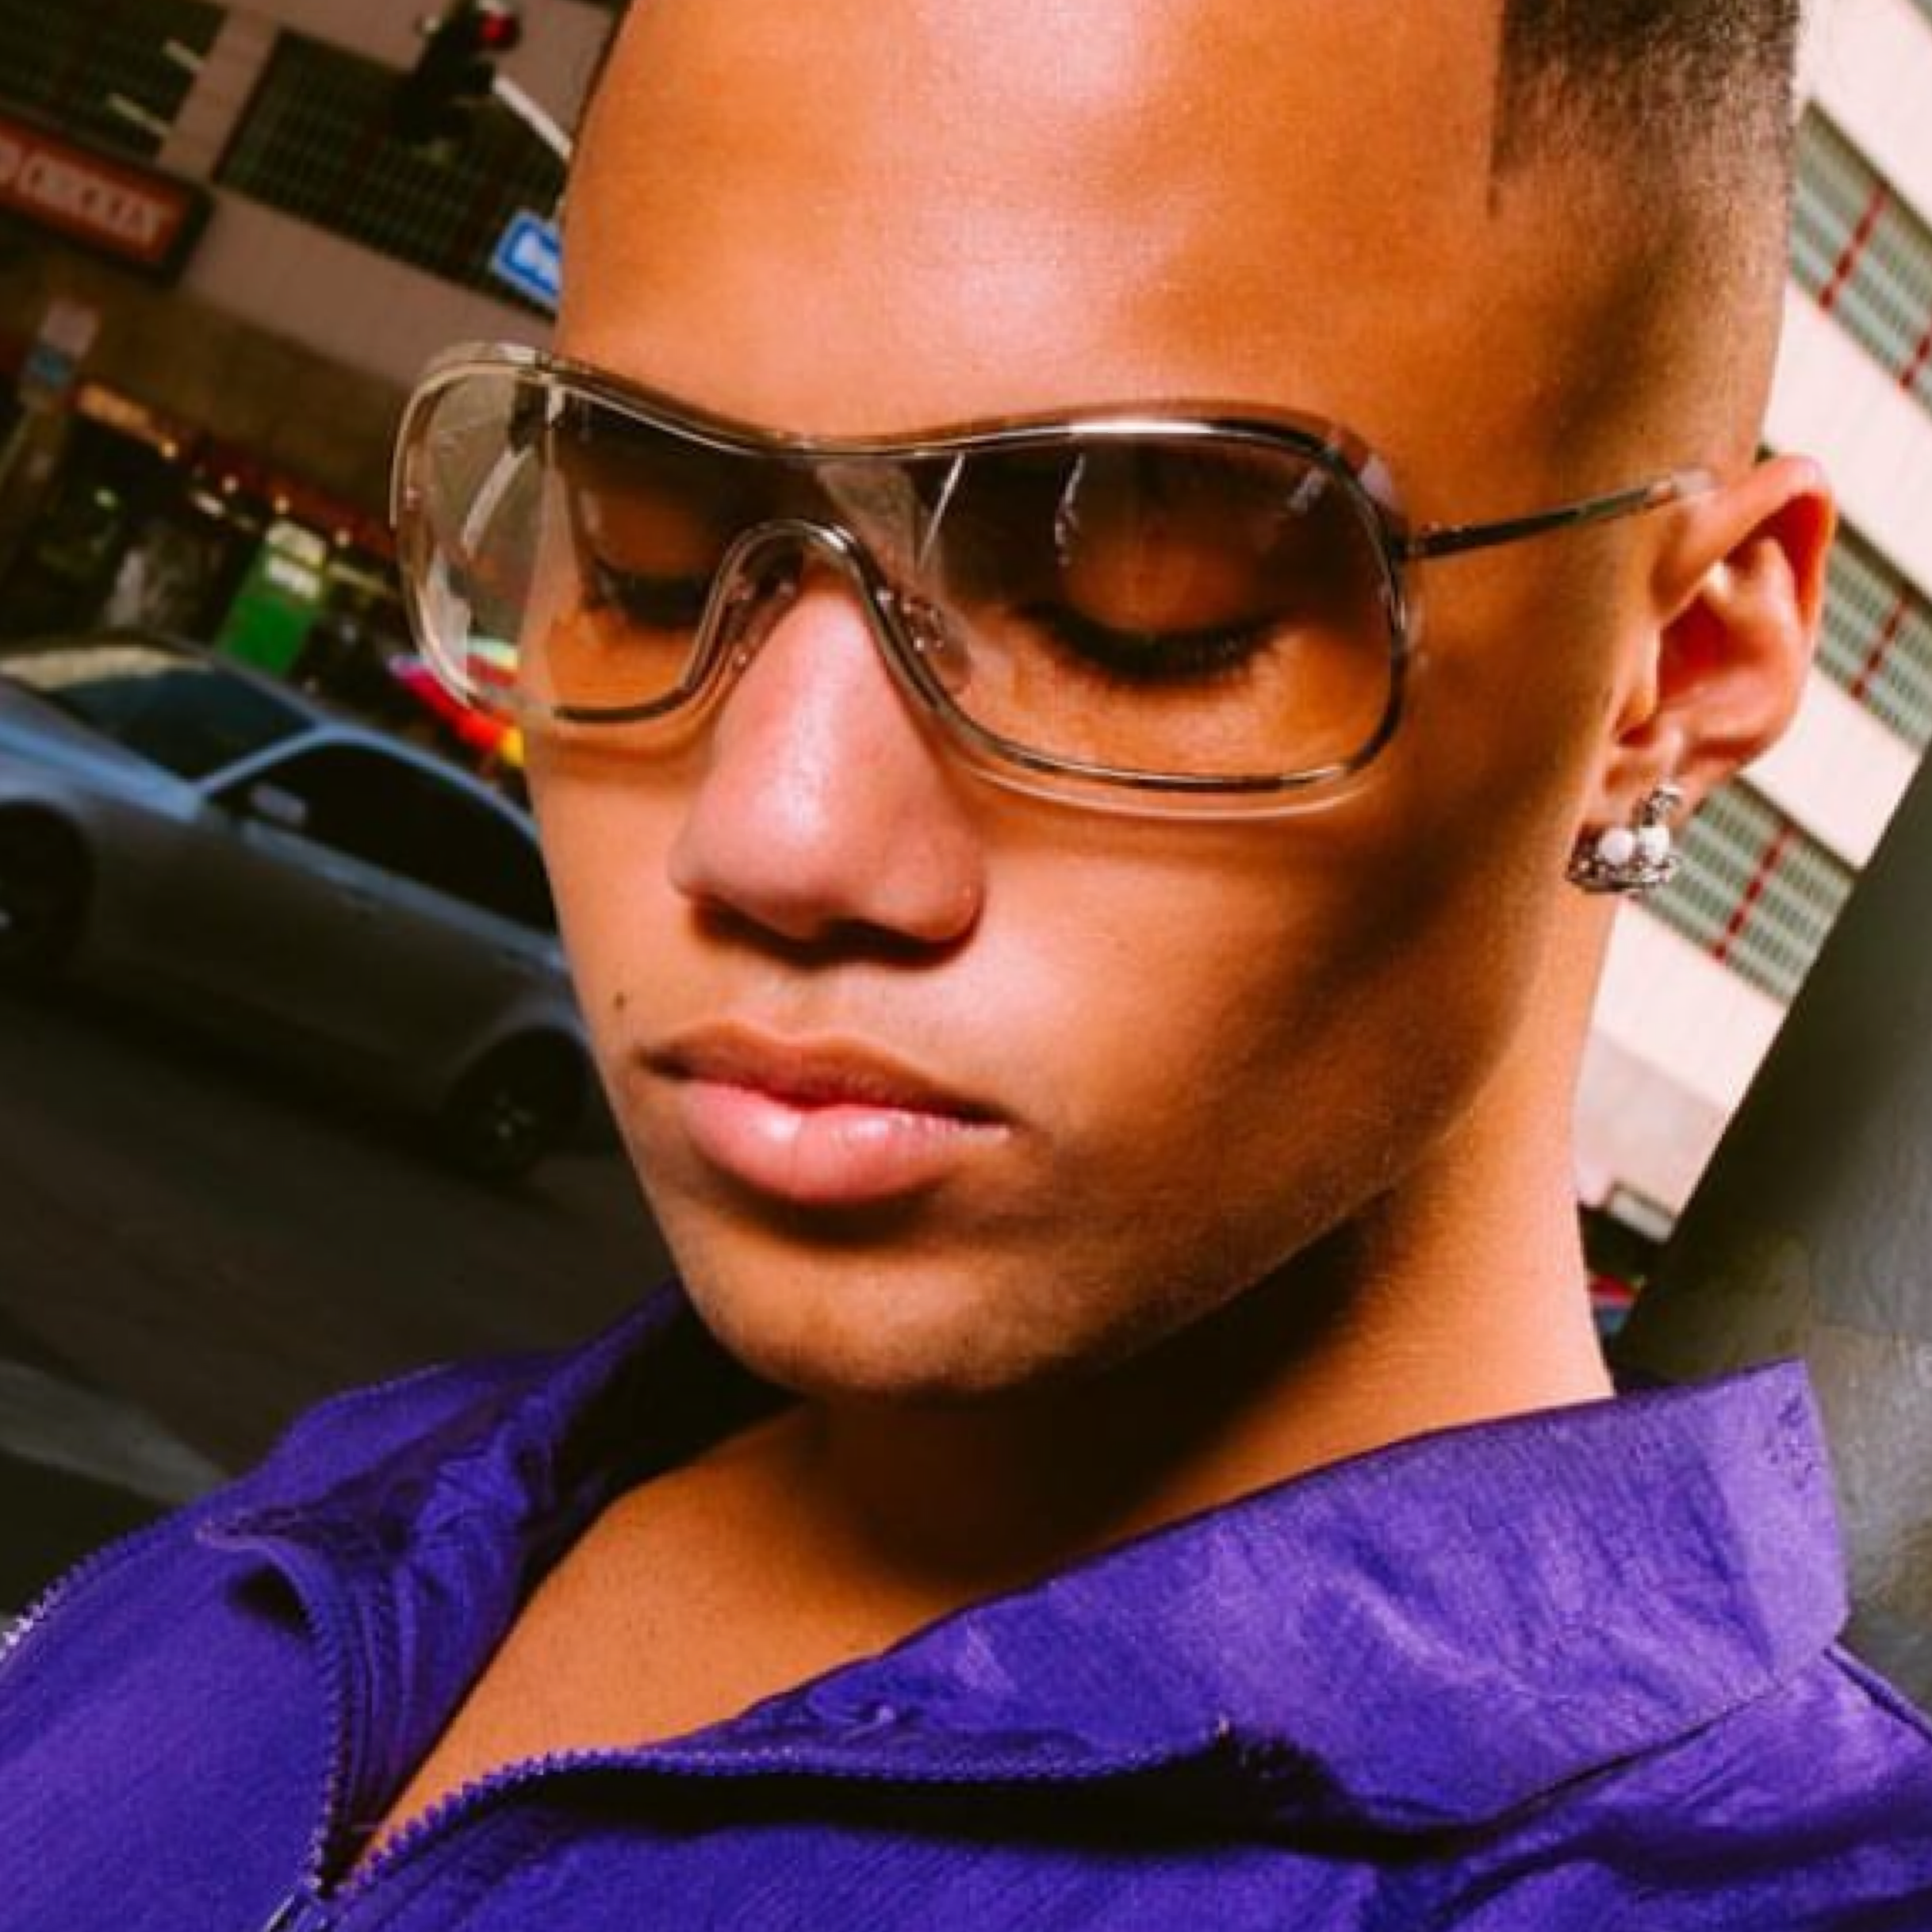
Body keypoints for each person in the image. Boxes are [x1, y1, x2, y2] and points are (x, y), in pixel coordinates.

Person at [6, 1, 1932, 1924]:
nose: (772, 837)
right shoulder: (337, 1525)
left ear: (1674, 671)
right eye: (650, 540)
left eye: (1137, 593)